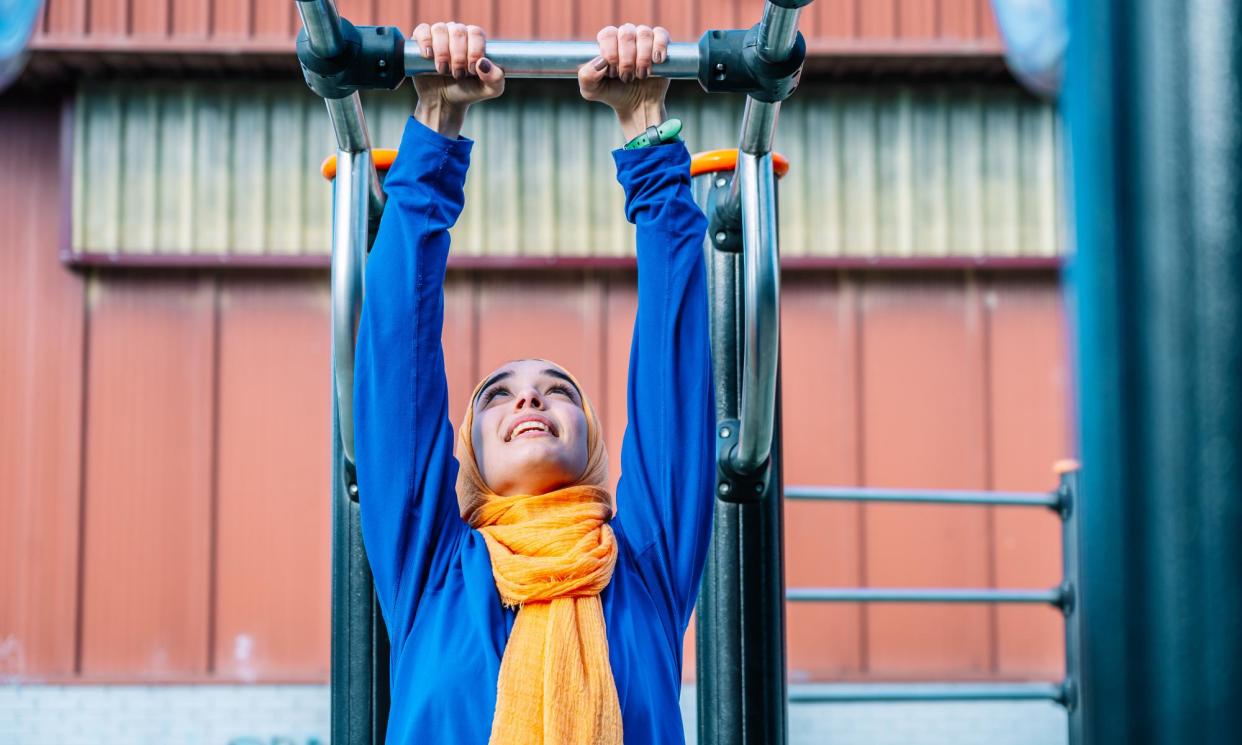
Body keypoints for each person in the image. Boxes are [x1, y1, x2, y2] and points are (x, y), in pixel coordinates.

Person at [353, 21, 714, 745]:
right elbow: (398, 362)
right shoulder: (432, 572)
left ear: (592, 447)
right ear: (471, 456)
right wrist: (435, 123)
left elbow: (674, 368)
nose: (528, 397)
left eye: (558, 390)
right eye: (498, 395)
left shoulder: (642, 566)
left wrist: (645, 126)